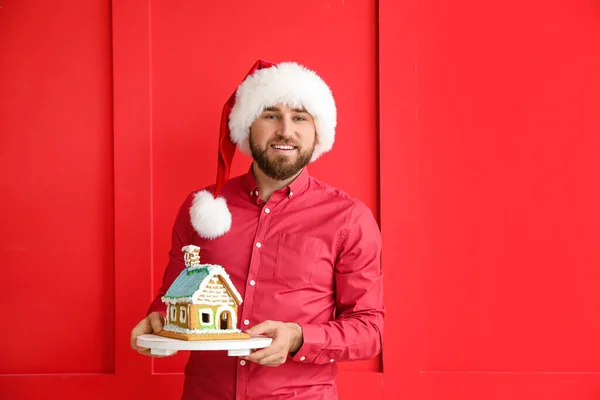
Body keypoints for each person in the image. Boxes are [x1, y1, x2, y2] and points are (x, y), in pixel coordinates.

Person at [130, 59, 384, 400]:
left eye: (299, 117)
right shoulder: (202, 208)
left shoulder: (349, 218)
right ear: (247, 124)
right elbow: (171, 298)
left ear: (317, 131)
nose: (285, 130)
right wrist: (158, 321)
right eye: (270, 114)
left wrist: (297, 337)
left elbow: (369, 329)